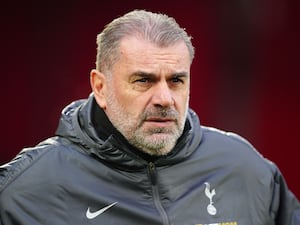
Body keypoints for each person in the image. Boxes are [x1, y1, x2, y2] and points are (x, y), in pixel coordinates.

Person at [0, 9, 299, 225]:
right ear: (100, 87)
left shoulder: (244, 169)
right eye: (143, 81)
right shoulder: (25, 191)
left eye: (177, 81)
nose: (164, 99)